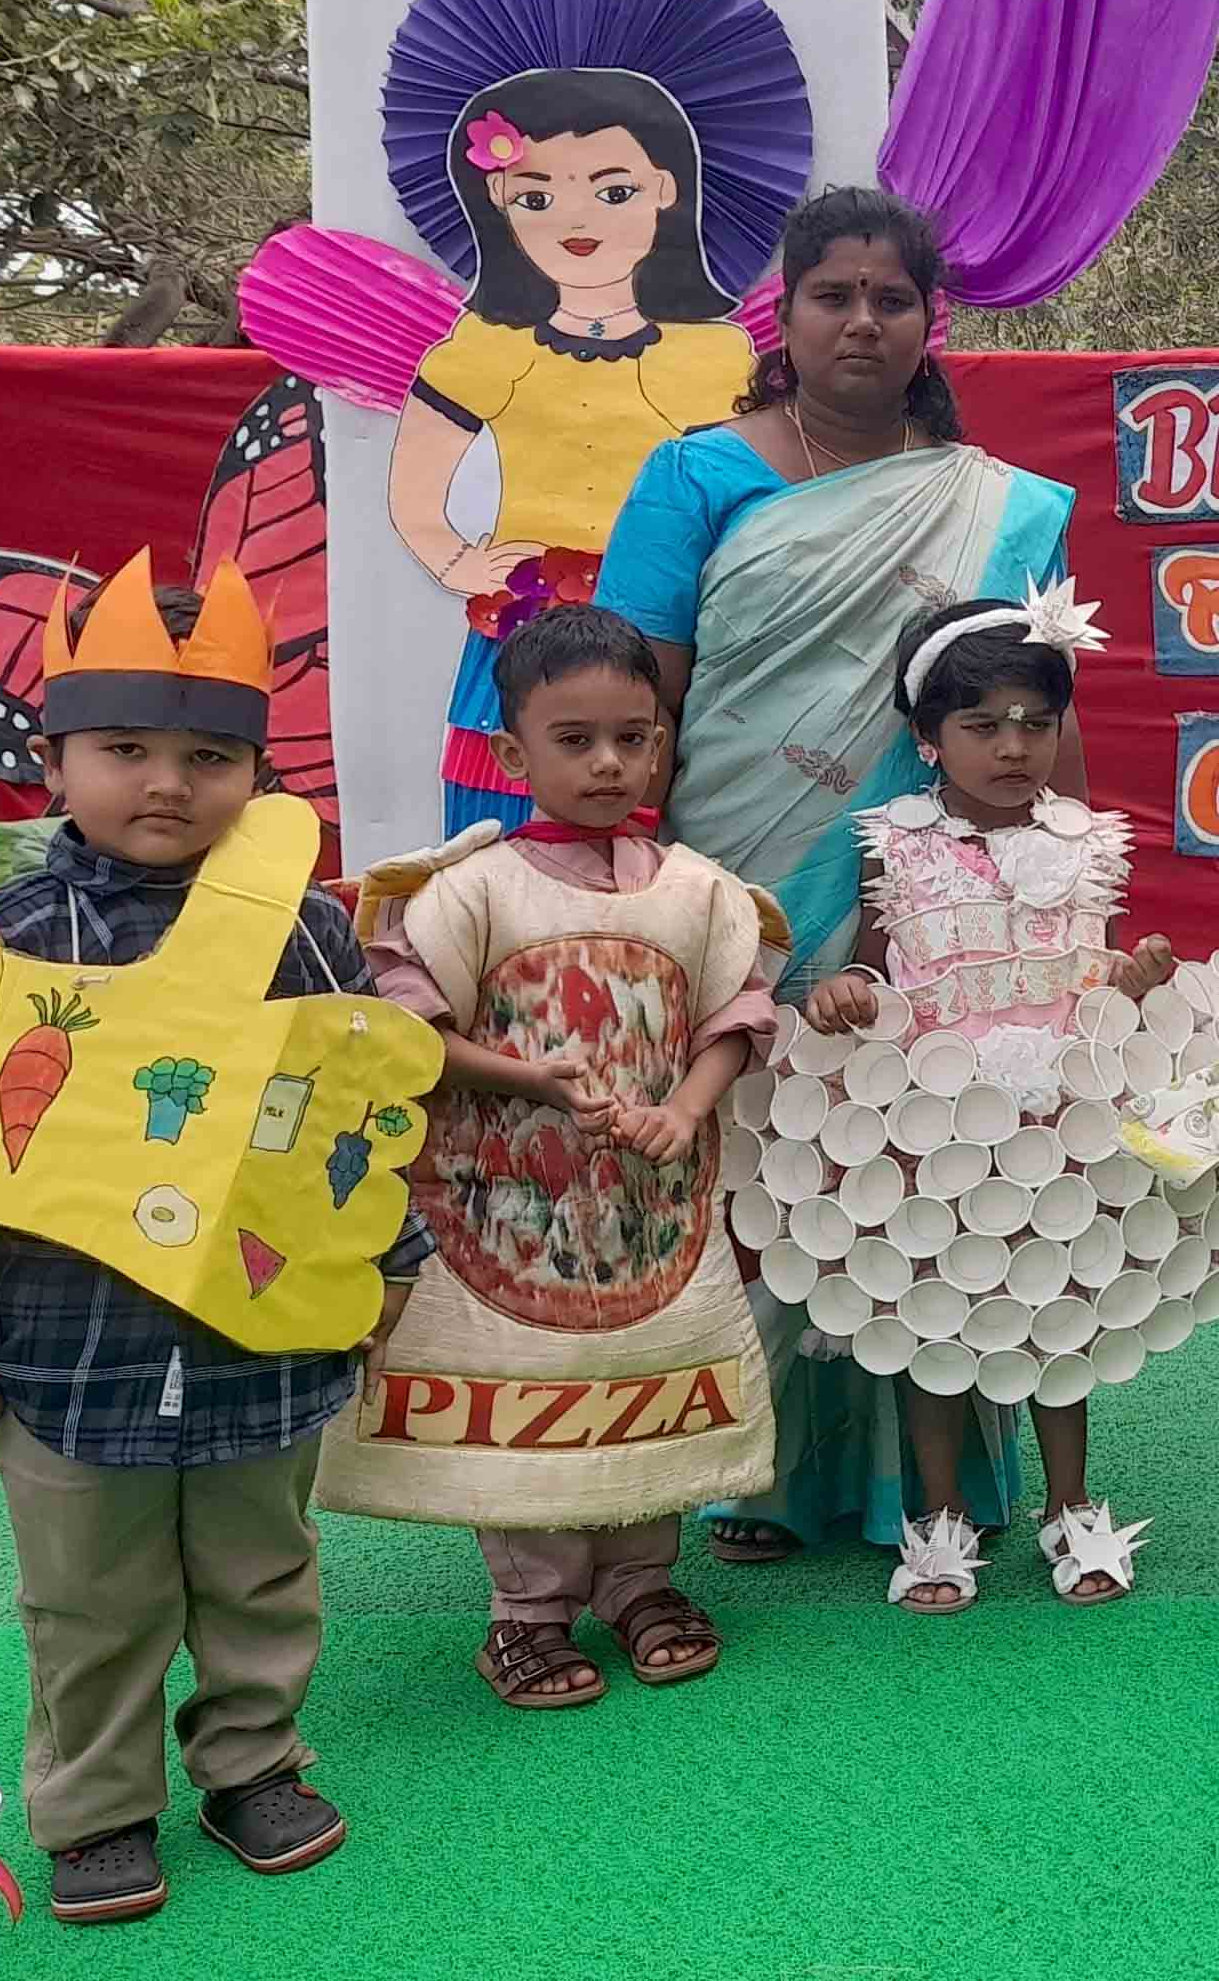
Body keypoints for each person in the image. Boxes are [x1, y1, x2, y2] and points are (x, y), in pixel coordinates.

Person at [0, 567, 422, 1926]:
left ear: (260, 773)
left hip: (262, 1334)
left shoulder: (309, 930)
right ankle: (97, 1807)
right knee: (87, 1597)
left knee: (262, 1569)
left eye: (209, 756)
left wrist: (388, 1263)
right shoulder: (4, 941)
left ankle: (253, 1764)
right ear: (51, 759)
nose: (168, 783)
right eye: (125, 749)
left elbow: (356, 1110)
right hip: (69, 1350)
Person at [595, 185, 1075, 1566]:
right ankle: (751, 1468)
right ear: (785, 314)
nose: (863, 321)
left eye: (891, 299)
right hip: (737, 873)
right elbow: (636, 701)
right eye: (833, 295)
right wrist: (633, 880)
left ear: (931, 322)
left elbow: (1042, 706)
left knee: (924, 1159)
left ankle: (927, 1481)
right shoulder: (695, 477)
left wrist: (1064, 876)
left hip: (942, 894)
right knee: (757, 1163)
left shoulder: (1001, 506)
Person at [328, 605, 781, 1705]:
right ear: (512, 752)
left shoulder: (700, 890)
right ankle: (527, 1608)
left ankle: (640, 1580)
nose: (608, 762)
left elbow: (734, 1014)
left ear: (662, 742)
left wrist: (686, 1108)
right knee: (526, 1388)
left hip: (652, 1214)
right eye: (574, 740)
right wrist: (527, 1079)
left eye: (632, 737)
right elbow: (409, 1031)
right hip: (506, 1218)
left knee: (644, 1376)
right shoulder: (471, 888)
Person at [799, 595, 1178, 1610]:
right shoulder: (893, 843)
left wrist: (1135, 978)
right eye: (982, 725)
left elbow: (1096, 979)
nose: (1013, 747)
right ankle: (939, 1515)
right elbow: (875, 971)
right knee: (934, 1327)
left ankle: (1071, 1506)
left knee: (1058, 1325)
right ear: (927, 736)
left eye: (1034, 724)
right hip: (932, 1130)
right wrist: (845, 994)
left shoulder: (1091, 842)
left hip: (1060, 1126)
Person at [390, 67, 762, 835]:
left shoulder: (718, 355)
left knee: (663, 838)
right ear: (499, 201)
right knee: (496, 839)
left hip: (668, 636)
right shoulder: (486, 347)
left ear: (665, 189)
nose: (577, 220)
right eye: (537, 198)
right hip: (522, 634)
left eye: (613, 191)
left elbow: (752, 503)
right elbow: (415, 488)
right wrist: (459, 562)